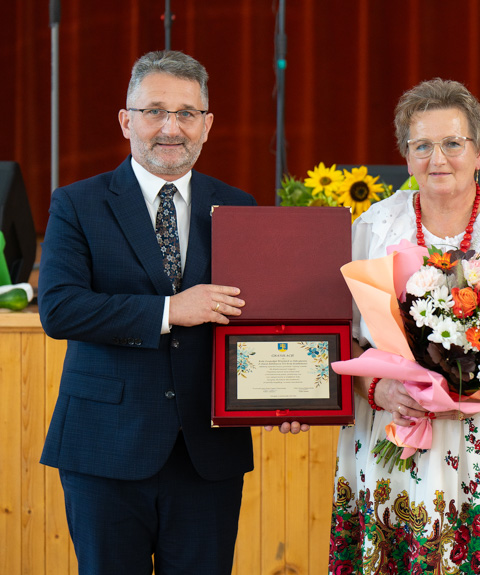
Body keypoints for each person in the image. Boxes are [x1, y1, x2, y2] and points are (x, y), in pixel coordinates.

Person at [38, 50, 306, 575]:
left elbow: (260, 320)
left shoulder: (238, 206)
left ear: (206, 126)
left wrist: (286, 394)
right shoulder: (78, 203)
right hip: (105, 448)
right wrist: (168, 311)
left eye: (187, 113)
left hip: (208, 452)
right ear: (125, 121)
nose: (171, 127)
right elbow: (60, 309)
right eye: (155, 110)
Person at [327, 78, 480, 573]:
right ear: (406, 156)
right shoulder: (375, 226)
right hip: (397, 427)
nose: (438, 159)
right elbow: (341, 336)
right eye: (422, 146)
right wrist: (381, 389)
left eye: (453, 143)